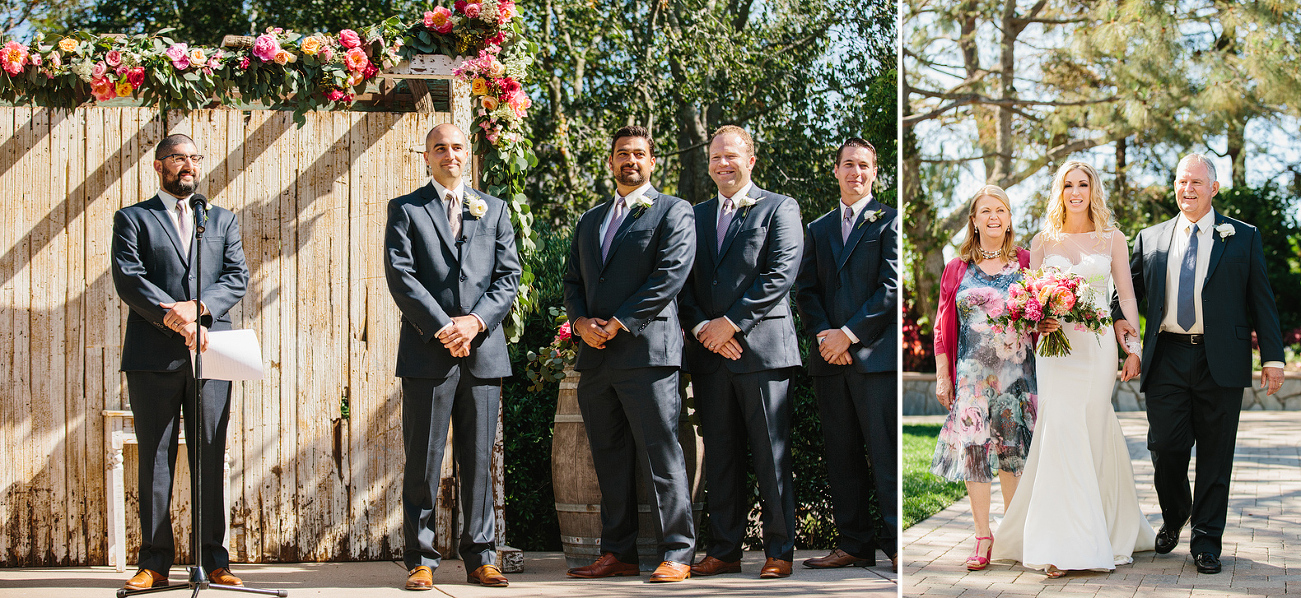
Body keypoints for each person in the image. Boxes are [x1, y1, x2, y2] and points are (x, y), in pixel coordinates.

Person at [1120, 154, 1285, 574]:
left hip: (1222, 360)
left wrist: (1273, 357)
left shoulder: (1242, 237)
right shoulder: (1150, 238)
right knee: (1165, 448)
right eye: (1181, 181)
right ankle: (1177, 512)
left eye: (1196, 182)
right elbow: (1125, 296)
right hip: (1168, 356)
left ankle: (1207, 541)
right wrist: (1118, 331)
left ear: (1214, 188)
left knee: (1216, 454)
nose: (1187, 188)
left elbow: (1261, 301)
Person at [992, 160, 1154, 576]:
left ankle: (1102, 528)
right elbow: (1030, 297)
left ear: (1093, 190)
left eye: (1083, 184)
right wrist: (1036, 318)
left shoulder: (1112, 238)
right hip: (1055, 349)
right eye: (1069, 185)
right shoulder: (1043, 241)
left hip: (1098, 349)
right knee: (1061, 430)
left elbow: (1127, 299)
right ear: (1060, 191)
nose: (1076, 191)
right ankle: (1059, 545)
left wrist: (1133, 346)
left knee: (1094, 428)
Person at [383, 123, 521, 590]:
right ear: (426, 156)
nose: (450, 155)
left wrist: (475, 323)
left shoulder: (495, 210)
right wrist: (445, 327)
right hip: (428, 353)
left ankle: (482, 556)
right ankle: (420, 558)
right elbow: (402, 276)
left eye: (457, 147)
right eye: (439, 148)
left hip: (482, 353)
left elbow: (507, 277)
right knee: (422, 457)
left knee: (479, 457)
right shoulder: (405, 210)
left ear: (468, 154)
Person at [111, 134, 249, 591]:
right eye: (178, 158)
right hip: (153, 358)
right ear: (158, 166)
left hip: (211, 353)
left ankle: (213, 560)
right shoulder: (133, 218)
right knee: (155, 457)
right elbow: (130, 279)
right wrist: (176, 318)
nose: (187, 165)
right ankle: (154, 563)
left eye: (194, 158)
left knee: (210, 452)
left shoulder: (221, 220)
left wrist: (198, 308)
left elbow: (236, 277)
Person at [562, 125, 698, 583]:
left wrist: (619, 323)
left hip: (648, 354)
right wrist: (581, 323)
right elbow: (573, 282)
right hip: (597, 358)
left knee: (662, 455)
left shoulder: (673, 212)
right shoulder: (590, 220)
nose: (630, 161)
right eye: (622, 154)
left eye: (639, 154)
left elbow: (669, 276)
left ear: (653, 162)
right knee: (609, 458)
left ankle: (678, 551)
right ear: (610, 162)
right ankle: (616, 552)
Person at [680, 126, 803, 579]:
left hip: (763, 353)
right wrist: (701, 328)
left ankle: (779, 551)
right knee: (723, 455)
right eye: (715, 157)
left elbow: (781, 272)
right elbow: (684, 282)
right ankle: (725, 549)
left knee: (771, 454)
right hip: (710, 356)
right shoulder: (693, 215)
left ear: (751, 161)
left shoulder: (779, 207)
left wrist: (728, 324)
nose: (722, 164)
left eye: (731, 156)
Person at [794, 138, 898, 572]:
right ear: (835, 170)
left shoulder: (891, 222)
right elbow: (806, 290)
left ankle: (898, 545)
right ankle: (853, 543)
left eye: (864, 166)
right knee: (841, 454)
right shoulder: (817, 228)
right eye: (848, 165)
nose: (856, 172)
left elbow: (890, 288)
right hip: (828, 361)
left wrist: (849, 335)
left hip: (873, 359)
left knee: (885, 452)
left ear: (874, 173)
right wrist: (825, 336)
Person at [930, 185, 1036, 571]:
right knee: (975, 453)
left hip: (1016, 378)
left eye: (1001, 210)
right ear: (973, 220)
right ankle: (982, 537)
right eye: (985, 211)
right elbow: (942, 328)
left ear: (1009, 219)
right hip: (972, 378)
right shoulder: (957, 268)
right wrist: (944, 377)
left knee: (1014, 454)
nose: (993, 217)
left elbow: (1041, 315)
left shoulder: (1026, 262)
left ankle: (1013, 533)